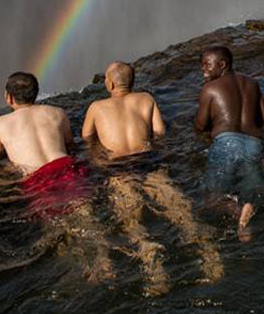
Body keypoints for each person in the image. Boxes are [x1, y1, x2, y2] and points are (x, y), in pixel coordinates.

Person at [81, 61, 221, 293]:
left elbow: (87, 138)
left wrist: (99, 158)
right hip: (148, 161)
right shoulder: (146, 99)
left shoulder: (96, 107)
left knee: (132, 222)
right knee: (181, 211)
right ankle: (211, 258)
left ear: (110, 83)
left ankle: (153, 264)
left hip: (117, 168)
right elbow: (160, 132)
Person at [0, 71, 112, 278]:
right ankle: (105, 260)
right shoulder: (57, 112)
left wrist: (7, 172)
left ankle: (86, 270)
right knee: (86, 214)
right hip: (67, 167)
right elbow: (70, 145)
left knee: (59, 225)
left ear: (9, 97)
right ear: (36, 93)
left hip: (38, 178)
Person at [193, 44, 264, 240]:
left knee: (213, 197)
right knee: (252, 190)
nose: (203, 70)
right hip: (255, 143)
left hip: (227, 143)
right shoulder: (252, 83)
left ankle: (238, 214)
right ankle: (248, 208)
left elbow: (200, 126)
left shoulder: (209, 88)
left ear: (222, 65)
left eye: (206, 65)